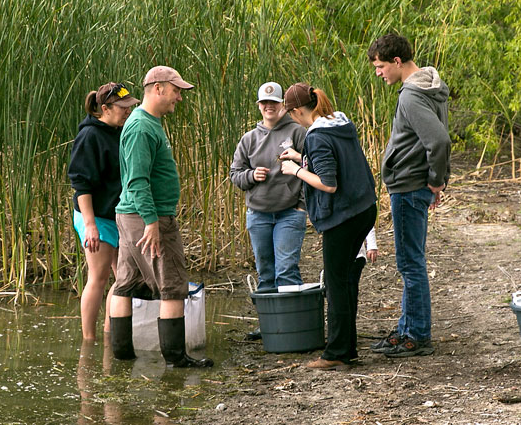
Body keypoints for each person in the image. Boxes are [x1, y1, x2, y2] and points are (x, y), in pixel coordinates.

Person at [107, 65, 213, 368]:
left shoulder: (148, 122)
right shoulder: (141, 126)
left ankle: (122, 354)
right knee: (173, 284)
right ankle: (176, 359)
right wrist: (152, 222)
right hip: (146, 218)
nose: (179, 97)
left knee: (126, 282)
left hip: (131, 216)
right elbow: (137, 181)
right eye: (176, 90)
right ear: (158, 88)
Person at [279, 83, 377, 370]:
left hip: (343, 218)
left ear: (298, 110)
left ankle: (336, 353)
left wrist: (295, 170)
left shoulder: (317, 136)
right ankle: (347, 350)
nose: (293, 119)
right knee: (346, 280)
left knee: (336, 284)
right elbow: (337, 162)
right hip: (364, 209)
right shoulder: (340, 124)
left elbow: (329, 184)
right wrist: (302, 157)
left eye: (292, 114)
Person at [366, 32, 450, 358]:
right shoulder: (429, 87)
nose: (379, 73)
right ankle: (405, 329)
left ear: (397, 62)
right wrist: (438, 180)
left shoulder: (411, 96)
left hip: (408, 187)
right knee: (410, 261)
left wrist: (436, 181)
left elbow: (439, 141)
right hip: (415, 186)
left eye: (380, 66)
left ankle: (416, 336)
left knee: (410, 264)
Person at [230, 82, 308, 340]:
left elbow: (314, 168)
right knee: (265, 272)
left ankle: (291, 326)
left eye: (274, 103)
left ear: (283, 106)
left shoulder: (298, 132)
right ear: (259, 106)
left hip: (289, 212)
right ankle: (268, 326)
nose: (268, 107)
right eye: (264, 103)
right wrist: (252, 175)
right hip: (258, 214)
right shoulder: (248, 139)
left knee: (286, 269)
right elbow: (235, 175)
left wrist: (301, 206)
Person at [68, 82, 140, 341]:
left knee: (123, 277)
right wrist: (90, 226)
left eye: (130, 107)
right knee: (98, 277)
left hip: (116, 213)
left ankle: (111, 334)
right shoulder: (90, 136)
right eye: (123, 108)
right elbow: (81, 185)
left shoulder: (120, 131)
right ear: (105, 108)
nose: (128, 112)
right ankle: (88, 340)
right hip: (94, 215)